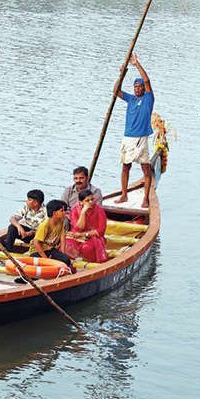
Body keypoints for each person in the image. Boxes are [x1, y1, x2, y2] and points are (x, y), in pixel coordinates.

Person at [115, 52, 154, 208]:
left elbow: (147, 80)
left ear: (143, 89)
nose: (137, 88)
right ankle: (124, 195)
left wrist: (136, 64)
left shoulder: (148, 99)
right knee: (125, 166)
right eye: (135, 87)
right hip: (128, 137)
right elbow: (116, 91)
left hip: (141, 138)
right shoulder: (131, 99)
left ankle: (146, 198)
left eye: (139, 87)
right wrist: (122, 74)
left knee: (145, 167)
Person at [66, 190, 109, 263]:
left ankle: (91, 265)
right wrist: (83, 212)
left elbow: (101, 231)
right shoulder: (74, 210)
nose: (91, 202)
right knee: (65, 245)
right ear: (81, 202)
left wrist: (84, 234)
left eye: (92, 199)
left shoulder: (99, 210)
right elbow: (78, 229)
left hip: (95, 237)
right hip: (77, 237)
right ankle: (72, 264)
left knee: (86, 248)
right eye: (87, 200)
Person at [27, 200, 72, 268]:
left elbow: (62, 238)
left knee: (66, 260)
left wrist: (63, 254)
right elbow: (36, 243)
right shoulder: (45, 225)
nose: (64, 213)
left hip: (50, 249)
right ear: (54, 213)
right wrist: (46, 259)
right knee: (40, 265)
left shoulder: (61, 221)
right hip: (37, 251)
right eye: (61, 211)